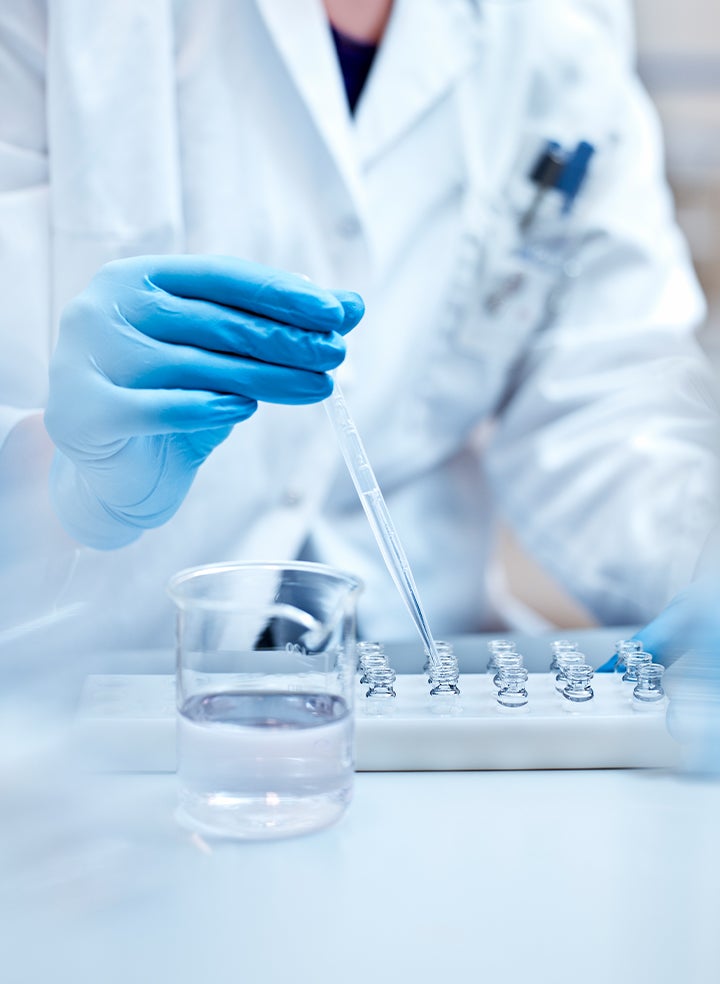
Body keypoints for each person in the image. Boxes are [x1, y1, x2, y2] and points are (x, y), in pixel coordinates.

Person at [1, 0, 718, 656]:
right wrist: (56, 475)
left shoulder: (557, 30)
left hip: (419, 671)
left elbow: (608, 410)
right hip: (93, 685)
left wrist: (706, 566)